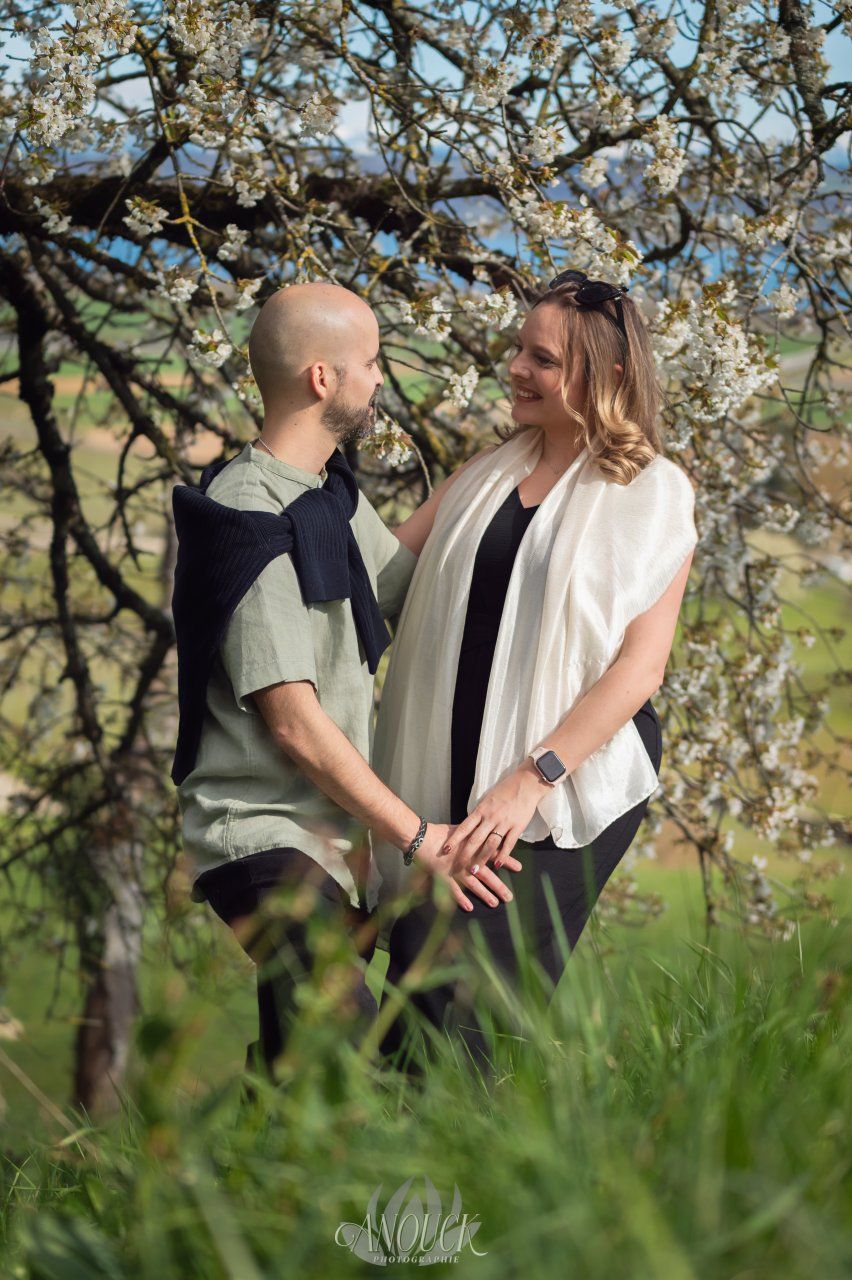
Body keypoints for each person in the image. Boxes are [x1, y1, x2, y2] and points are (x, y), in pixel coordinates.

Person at [371, 269, 699, 1075]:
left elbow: (640, 668)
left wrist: (532, 777)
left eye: (542, 359)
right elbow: (377, 579)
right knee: (415, 984)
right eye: (518, 349)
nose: (515, 367)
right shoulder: (485, 472)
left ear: (610, 376)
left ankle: (462, 1183)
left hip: (564, 785)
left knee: (468, 994)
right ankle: (401, 1179)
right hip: (445, 760)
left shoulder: (652, 493)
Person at [171, 282, 501, 1085]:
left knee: (310, 1068)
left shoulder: (323, 495)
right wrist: (419, 839)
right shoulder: (246, 518)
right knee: (351, 1044)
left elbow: (394, 580)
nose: (381, 377)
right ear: (325, 380)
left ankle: (262, 1185)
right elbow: (292, 722)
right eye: (372, 361)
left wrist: (494, 470)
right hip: (261, 840)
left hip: (329, 845)